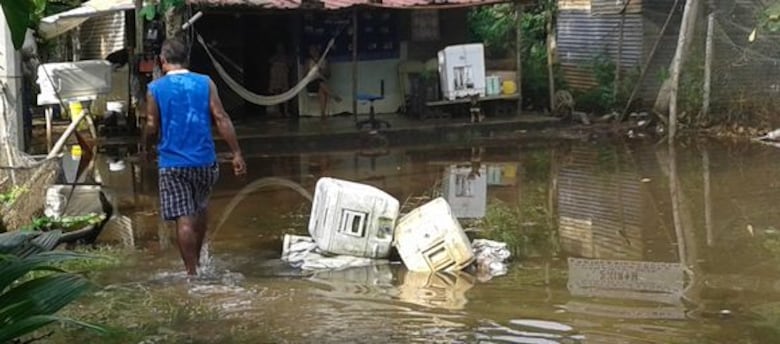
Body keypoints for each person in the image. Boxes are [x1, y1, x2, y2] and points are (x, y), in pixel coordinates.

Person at [143, 38, 247, 276]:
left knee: (185, 218)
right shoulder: (205, 82)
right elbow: (221, 117)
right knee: (199, 210)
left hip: (173, 164)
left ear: (162, 61)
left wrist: (145, 149)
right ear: (187, 59)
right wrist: (236, 153)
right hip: (205, 162)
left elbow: (151, 126)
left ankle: (191, 273)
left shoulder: (155, 89)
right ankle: (199, 263)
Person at [306, 45, 341, 119]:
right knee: (320, 84)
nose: (313, 53)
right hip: (311, 83)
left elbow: (328, 75)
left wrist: (321, 70)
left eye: (314, 51)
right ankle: (333, 95)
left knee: (321, 90)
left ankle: (323, 113)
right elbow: (305, 75)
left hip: (321, 82)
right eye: (311, 51)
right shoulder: (308, 61)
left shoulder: (324, 61)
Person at [268, 43, 292, 117]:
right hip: (276, 77)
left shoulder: (286, 57)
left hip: (284, 77)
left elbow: (290, 64)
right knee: (276, 94)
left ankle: (286, 111)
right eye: (278, 48)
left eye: (281, 48)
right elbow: (269, 61)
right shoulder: (275, 57)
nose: (280, 49)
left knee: (285, 94)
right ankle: (277, 111)